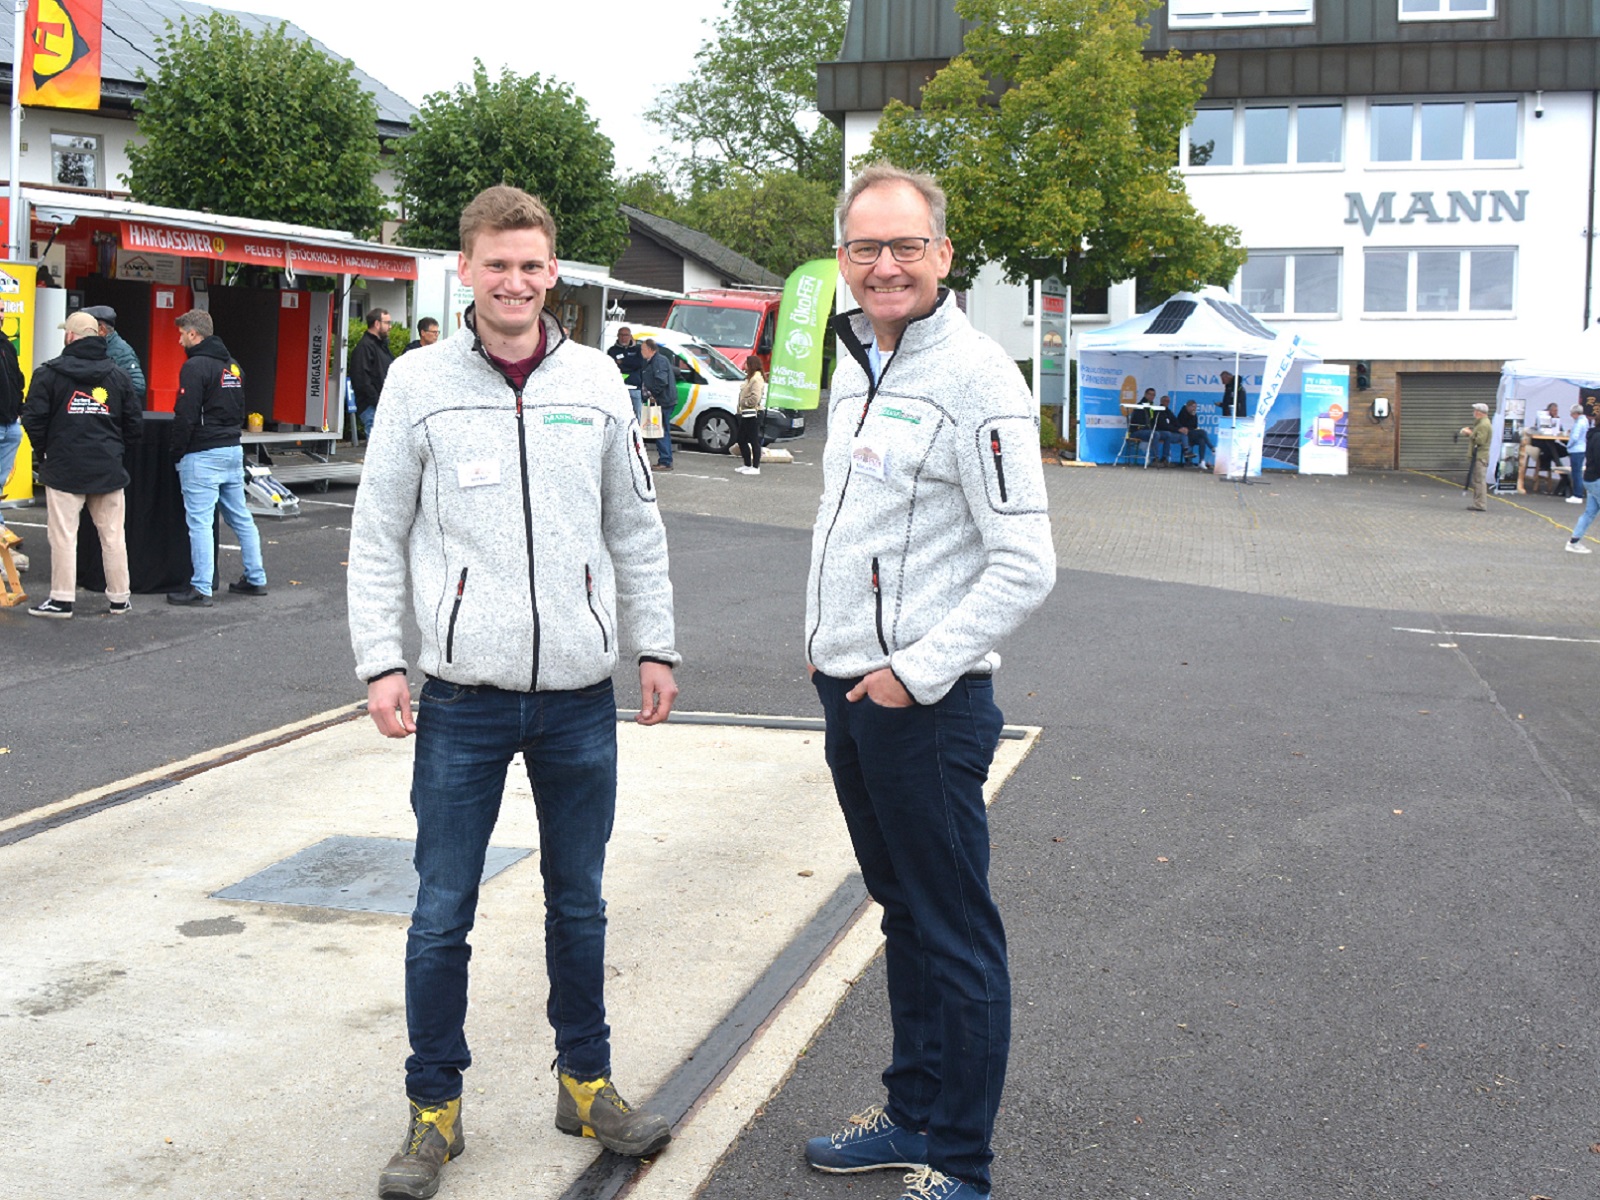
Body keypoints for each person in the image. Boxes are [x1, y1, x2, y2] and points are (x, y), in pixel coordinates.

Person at [346, 184, 679, 1200]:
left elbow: (635, 525)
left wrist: (654, 644)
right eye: (498, 264)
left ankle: (584, 1083)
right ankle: (434, 1110)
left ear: (554, 274)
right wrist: (381, 659)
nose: (517, 282)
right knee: (442, 911)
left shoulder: (597, 383)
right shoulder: (416, 383)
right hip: (460, 698)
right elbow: (375, 534)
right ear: (467, 270)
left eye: (533, 265)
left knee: (578, 903)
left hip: (580, 693)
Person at [803, 162, 1055, 1200]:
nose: (885, 265)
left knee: (953, 931)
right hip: (849, 690)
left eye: (906, 246)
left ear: (943, 256)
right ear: (842, 259)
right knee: (902, 912)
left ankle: (960, 1162)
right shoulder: (857, 362)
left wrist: (914, 670)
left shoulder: (978, 377)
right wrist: (825, 636)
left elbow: (1025, 561)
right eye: (865, 247)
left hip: (927, 706)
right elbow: (850, 525)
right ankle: (911, 1114)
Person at [20, 310, 141, 618]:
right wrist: (115, 450)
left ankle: (61, 599)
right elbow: (133, 424)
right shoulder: (118, 375)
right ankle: (120, 598)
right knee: (113, 536)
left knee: (63, 536)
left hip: (64, 467)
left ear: (70, 336)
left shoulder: (48, 373)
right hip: (108, 468)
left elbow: (33, 418)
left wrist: (45, 450)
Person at [167, 310, 268, 607]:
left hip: (202, 453)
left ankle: (200, 588)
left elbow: (186, 413)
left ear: (194, 335)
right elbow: (240, 407)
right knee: (241, 517)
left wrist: (176, 451)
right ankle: (255, 577)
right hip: (231, 449)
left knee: (199, 522)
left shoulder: (194, 367)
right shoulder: (233, 366)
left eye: (182, 333)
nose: (179, 339)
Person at [0, 322, 29, 570]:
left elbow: (17, 380)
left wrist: (18, 413)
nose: (1, 316)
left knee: (0, 487)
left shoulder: (6, 345)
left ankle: (3, 550)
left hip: (9, 426)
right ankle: (3, 552)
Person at [82, 305, 146, 398]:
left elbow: (137, 386)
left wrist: (101, 399)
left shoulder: (121, 351)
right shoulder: (89, 348)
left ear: (101, 329)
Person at [350, 308, 394, 436]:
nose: (390, 327)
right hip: (372, 407)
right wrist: (377, 401)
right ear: (377, 324)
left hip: (380, 405)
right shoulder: (365, 347)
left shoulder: (380, 346)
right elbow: (362, 380)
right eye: (387, 323)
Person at [1564, 400, 1600, 552]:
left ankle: (1574, 541)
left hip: (1591, 478)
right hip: (1596, 478)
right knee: (1588, 513)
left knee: (1589, 513)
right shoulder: (1597, 436)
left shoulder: (1592, 434)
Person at [638, 337, 675, 471]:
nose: (641, 352)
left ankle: (665, 460)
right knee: (661, 430)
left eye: (643, 349)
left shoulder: (658, 362)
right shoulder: (654, 361)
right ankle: (665, 459)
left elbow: (661, 381)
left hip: (662, 401)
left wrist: (653, 395)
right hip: (662, 400)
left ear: (650, 349)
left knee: (661, 431)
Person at [735, 359, 766, 475]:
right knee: (741, 439)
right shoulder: (750, 378)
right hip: (746, 414)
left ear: (751, 365)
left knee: (754, 440)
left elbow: (755, 397)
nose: (744, 366)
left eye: (746, 364)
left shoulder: (756, 379)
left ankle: (755, 467)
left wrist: (744, 402)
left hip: (754, 414)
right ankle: (747, 464)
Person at [1460, 401, 1491, 512]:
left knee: (1479, 481)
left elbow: (1480, 440)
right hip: (1479, 455)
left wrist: (1470, 434)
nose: (1473, 412)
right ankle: (1478, 502)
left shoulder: (1483, 424)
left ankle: (1480, 504)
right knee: (1477, 480)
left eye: (1475, 411)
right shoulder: (1481, 423)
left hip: (1480, 456)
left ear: (1479, 412)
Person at [1176, 398, 1214, 469]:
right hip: (1185, 433)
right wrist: (1191, 417)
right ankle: (1212, 448)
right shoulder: (1183, 412)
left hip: (1192, 432)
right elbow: (1183, 424)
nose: (1194, 409)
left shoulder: (1194, 414)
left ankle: (1201, 461)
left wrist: (1193, 417)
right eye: (1193, 407)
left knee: (1202, 440)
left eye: (1195, 407)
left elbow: (1195, 426)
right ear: (1188, 406)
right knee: (1202, 432)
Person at [1565, 403, 1589, 505]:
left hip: (1576, 449)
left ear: (1576, 413)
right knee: (1577, 472)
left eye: (1571, 414)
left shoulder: (1579, 423)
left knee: (1576, 473)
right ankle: (1578, 494)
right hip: (1582, 448)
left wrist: (1568, 446)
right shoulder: (1585, 421)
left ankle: (1577, 495)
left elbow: (1574, 437)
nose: (1571, 416)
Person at [1151, 394, 1185, 465]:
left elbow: (1175, 421)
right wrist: (1177, 429)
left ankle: (1187, 454)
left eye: (1168, 401)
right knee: (1168, 434)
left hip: (1168, 432)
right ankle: (1158, 458)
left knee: (1183, 434)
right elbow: (1163, 425)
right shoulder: (1158, 410)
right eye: (1166, 401)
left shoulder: (1168, 411)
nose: (1167, 403)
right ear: (1161, 401)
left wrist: (1181, 428)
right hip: (1159, 431)